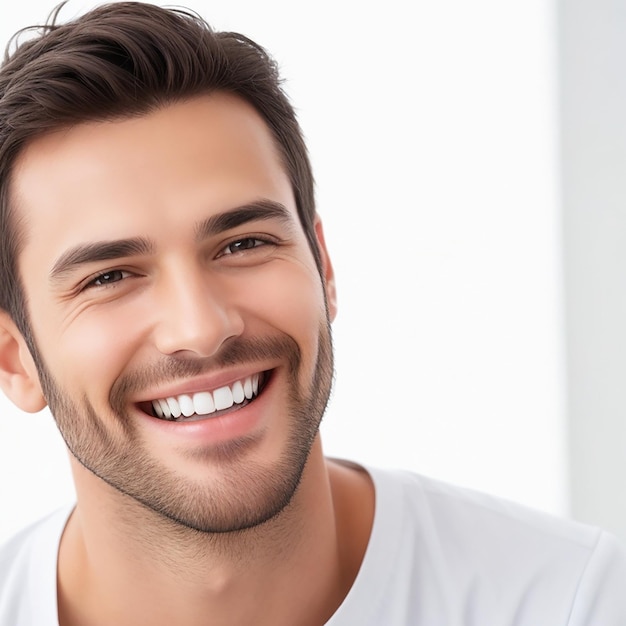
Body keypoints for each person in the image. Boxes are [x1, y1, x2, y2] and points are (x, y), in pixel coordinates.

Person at [0, 2, 624, 624]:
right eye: (109, 277)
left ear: (322, 266)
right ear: (15, 359)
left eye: (244, 244)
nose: (201, 327)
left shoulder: (576, 603)